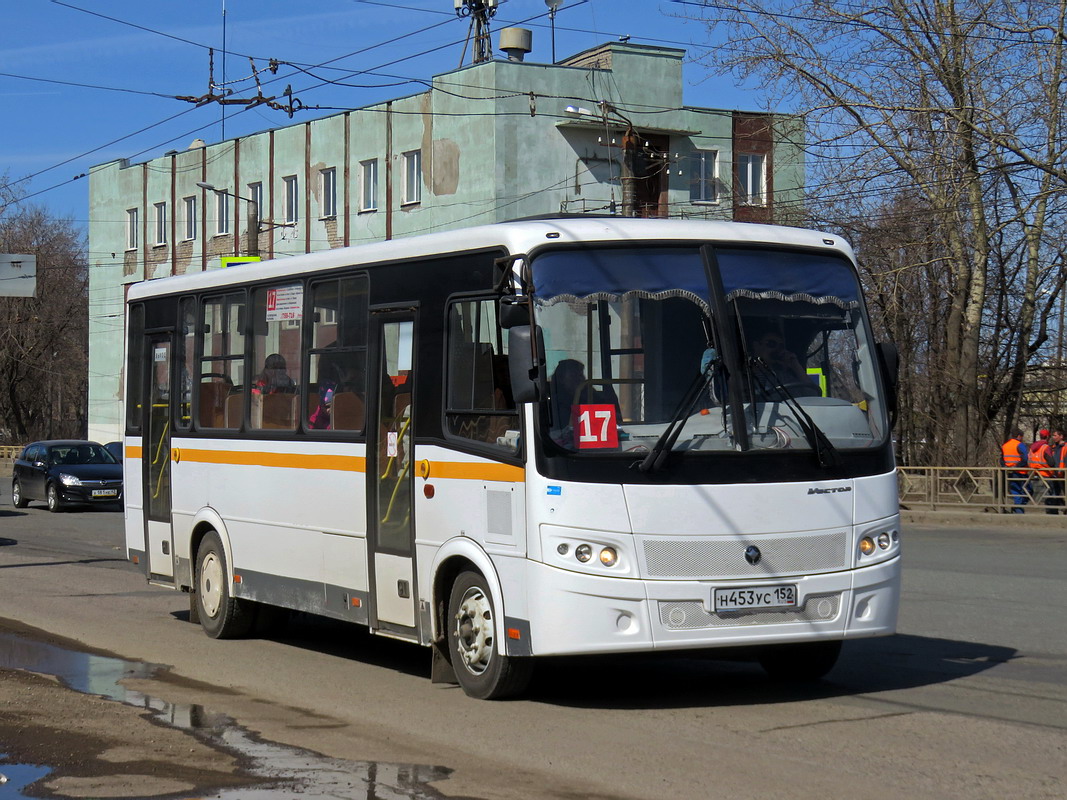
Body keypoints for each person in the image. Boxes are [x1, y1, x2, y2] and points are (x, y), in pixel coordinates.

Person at [748, 329, 817, 397]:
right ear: (756, 346)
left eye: (780, 346)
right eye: (771, 344)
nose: (777, 349)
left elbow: (812, 396)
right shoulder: (741, 376)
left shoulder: (782, 378)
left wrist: (796, 366)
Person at [1000, 428, 1029, 513]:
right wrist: (1017, 466)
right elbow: (1025, 458)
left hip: (1010, 472)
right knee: (1028, 491)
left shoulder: (1005, 445)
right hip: (1021, 472)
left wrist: (1005, 467)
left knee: (1016, 491)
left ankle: (1018, 509)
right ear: (1019, 436)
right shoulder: (1020, 445)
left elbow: (1001, 459)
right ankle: (1018, 510)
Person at [1043, 430, 1066, 514]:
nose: (1053, 437)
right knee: (1055, 493)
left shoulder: (1065, 446)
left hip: (1063, 474)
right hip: (1055, 474)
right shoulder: (1053, 447)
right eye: (1053, 435)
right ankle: (1056, 510)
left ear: (1061, 436)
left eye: (1055, 435)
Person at [1027, 429, 1051, 505]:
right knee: (1050, 496)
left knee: (1037, 497)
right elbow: (1051, 462)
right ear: (1047, 437)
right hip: (1045, 473)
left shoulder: (1032, 447)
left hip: (1034, 473)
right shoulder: (1046, 447)